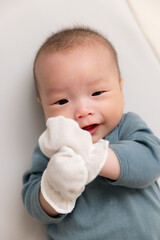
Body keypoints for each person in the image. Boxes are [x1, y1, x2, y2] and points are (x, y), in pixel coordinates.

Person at [22, 26, 160, 240]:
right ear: (43, 106)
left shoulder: (126, 127)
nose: (82, 111)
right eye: (61, 101)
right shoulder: (52, 147)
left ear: (120, 90)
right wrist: (53, 188)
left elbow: (152, 161)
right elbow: (34, 206)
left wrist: (95, 159)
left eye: (97, 93)